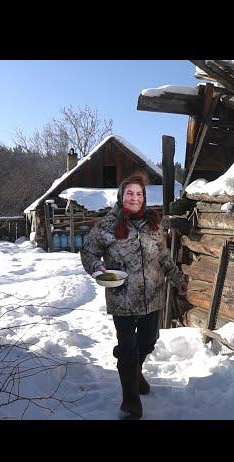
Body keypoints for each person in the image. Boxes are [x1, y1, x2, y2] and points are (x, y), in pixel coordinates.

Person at [80, 175, 188, 420]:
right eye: (130, 193)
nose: (134, 198)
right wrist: (98, 268)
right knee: (128, 349)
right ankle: (130, 401)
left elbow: (163, 257)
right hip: (123, 297)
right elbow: (88, 252)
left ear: (144, 198)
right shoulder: (107, 225)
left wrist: (178, 278)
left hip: (153, 296)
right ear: (121, 196)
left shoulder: (153, 224)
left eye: (139, 194)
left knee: (149, 340)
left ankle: (135, 373)